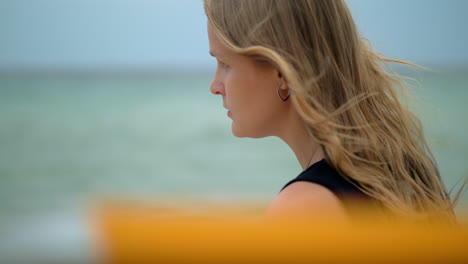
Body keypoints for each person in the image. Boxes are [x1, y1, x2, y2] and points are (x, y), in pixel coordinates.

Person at [204, 0, 460, 222]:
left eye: (225, 64)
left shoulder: (304, 209)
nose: (215, 87)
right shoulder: (399, 171)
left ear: (281, 71)